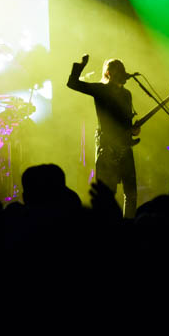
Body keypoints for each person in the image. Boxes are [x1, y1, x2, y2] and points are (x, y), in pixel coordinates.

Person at [67, 54, 138, 218]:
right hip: (106, 146)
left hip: (125, 146)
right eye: (117, 71)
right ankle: (108, 227)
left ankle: (128, 226)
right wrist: (80, 66)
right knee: (107, 194)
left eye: (122, 70)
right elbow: (73, 83)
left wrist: (134, 130)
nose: (121, 73)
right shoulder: (101, 89)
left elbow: (127, 123)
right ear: (108, 74)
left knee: (131, 193)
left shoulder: (127, 94)